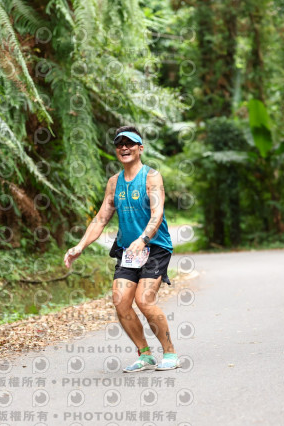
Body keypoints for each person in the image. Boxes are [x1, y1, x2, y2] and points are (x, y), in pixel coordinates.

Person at [63, 126, 180, 372]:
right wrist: (80, 246)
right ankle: (145, 354)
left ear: (140, 148)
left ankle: (170, 353)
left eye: (130, 143)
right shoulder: (114, 182)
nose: (124, 148)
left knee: (144, 300)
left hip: (155, 246)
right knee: (120, 301)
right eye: (119, 144)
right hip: (128, 251)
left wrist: (143, 239)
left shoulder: (151, 177)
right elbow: (101, 218)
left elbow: (157, 213)